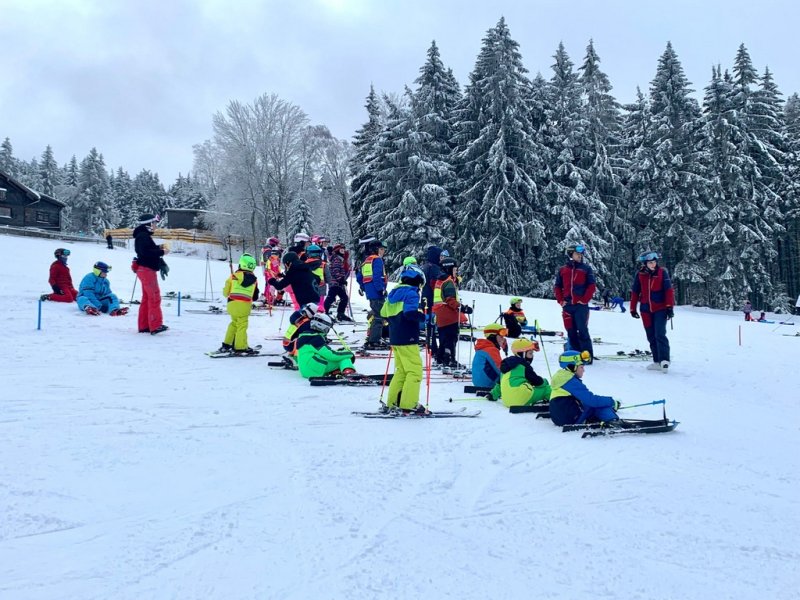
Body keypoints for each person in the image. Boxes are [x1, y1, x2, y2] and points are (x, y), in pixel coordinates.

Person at [380, 264, 428, 414]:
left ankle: (392, 402)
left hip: (395, 337)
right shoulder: (411, 293)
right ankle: (409, 404)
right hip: (408, 336)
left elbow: (383, 313)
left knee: (401, 370)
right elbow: (409, 313)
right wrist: (425, 317)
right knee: (414, 371)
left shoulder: (393, 293)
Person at [630, 251, 675, 372]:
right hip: (645, 310)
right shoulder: (640, 274)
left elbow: (668, 290)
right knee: (651, 336)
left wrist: (669, 307)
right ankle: (657, 361)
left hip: (660, 309)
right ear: (645, 263)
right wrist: (633, 308)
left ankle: (664, 360)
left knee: (660, 333)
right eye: (650, 262)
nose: (653, 264)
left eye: (654, 262)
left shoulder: (662, 272)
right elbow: (635, 292)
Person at [549, 351, 619, 426]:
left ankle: (597, 419)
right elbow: (591, 400)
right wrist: (612, 402)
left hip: (559, 419)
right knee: (597, 405)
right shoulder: (571, 381)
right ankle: (613, 422)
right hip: (570, 419)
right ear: (572, 367)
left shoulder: (562, 378)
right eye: (581, 367)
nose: (583, 370)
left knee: (588, 404)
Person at [553, 244, 596, 362]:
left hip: (581, 306)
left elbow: (592, 286)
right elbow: (557, 286)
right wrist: (561, 300)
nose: (580, 256)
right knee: (571, 332)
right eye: (577, 254)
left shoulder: (586, 268)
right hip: (567, 306)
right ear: (571, 254)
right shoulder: (563, 270)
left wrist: (584, 299)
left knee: (582, 331)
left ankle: (587, 357)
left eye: (581, 254)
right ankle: (576, 355)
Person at [216, 254, 260, 355]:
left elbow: (225, 293)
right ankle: (240, 347)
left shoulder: (233, 276)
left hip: (232, 304)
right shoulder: (254, 280)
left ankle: (226, 344)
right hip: (244, 306)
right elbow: (255, 297)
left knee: (234, 324)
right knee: (242, 326)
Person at [433, 256, 473, 368]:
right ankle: (450, 359)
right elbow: (450, 299)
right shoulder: (448, 282)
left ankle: (440, 358)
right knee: (451, 338)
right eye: (455, 269)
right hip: (449, 315)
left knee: (444, 338)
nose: (456, 272)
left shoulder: (440, 280)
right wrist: (463, 308)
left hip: (440, 315)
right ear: (449, 269)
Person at [133, 214, 169, 335]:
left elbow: (147, 249)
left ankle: (144, 325)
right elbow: (145, 252)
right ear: (148, 224)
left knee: (147, 298)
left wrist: (159, 248)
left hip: (145, 269)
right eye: (154, 223)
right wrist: (161, 252)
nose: (155, 226)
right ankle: (155, 325)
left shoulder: (143, 235)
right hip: (147, 270)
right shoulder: (143, 236)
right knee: (154, 297)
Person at [491, 338, 550, 407]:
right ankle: (557, 400)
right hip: (521, 397)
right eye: (530, 353)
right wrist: (545, 382)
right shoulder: (523, 365)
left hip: (507, 401)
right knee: (547, 389)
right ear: (522, 354)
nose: (532, 356)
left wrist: (492, 395)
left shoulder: (506, 366)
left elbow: (499, 385)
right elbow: (537, 382)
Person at [297, 312, 357, 378]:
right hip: (314, 370)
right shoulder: (315, 338)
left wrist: (340, 352)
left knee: (339, 357)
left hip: (307, 370)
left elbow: (322, 353)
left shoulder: (306, 336)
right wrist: (349, 354)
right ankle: (349, 373)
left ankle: (336, 371)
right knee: (344, 359)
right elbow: (332, 355)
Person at [356, 239, 389, 350]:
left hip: (371, 293)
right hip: (377, 292)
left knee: (376, 314)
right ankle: (374, 340)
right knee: (379, 316)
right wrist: (381, 289)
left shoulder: (367, 261)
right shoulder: (377, 260)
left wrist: (364, 287)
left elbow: (359, 277)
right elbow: (377, 277)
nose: (383, 251)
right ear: (376, 249)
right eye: (381, 249)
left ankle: (373, 338)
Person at [421, 246, 445, 356]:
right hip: (432, 299)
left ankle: (430, 346)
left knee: (429, 325)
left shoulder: (425, 266)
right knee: (432, 325)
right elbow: (435, 283)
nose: (441, 258)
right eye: (440, 256)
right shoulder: (434, 268)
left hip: (425, 298)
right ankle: (433, 348)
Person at [471, 323, 507, 390]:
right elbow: (501, 369)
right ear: (493, 337)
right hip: (489, 384)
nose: (503, 339)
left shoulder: (483, 348)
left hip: (479, 383)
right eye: (501, 337)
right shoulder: (491, 350)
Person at [324, 243, 352, 321]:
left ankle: (340, 313)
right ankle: (325, 312)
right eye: (341, 249)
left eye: (343, 249)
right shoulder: (336, 259)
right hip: (334, 283)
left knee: (344, 298)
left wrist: (342, 280)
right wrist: (341, 279)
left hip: (338, 283)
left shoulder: (339, 258)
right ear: (337, 250)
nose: (343, 251)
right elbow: (335, 271)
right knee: (331, 298)